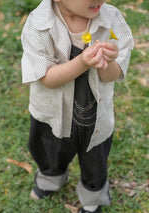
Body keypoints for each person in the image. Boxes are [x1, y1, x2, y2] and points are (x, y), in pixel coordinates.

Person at [21, 0, 134, 212]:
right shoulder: (38, 24)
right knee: (49, 151)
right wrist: (82, 62)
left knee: (95, 160)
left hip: (94, 115)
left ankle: (93, 198)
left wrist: (108, 61)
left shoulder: (111, 20)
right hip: (51, 114)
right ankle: (50, 179)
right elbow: (47, 78)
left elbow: (112, 76)